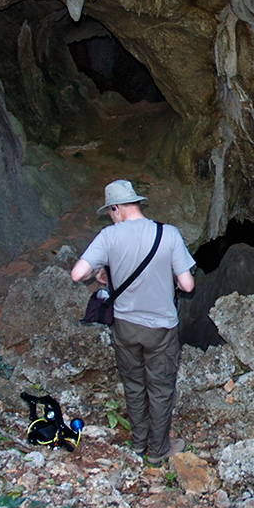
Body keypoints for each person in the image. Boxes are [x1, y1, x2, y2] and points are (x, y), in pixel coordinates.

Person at [71, 179, 195, 467]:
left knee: (134, 384)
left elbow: (78, 274)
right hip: (161, 328)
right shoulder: (168, 234)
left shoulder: (108, 236)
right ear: (135, 203)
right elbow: (188, 285)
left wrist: (98, 273)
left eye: (110, 212)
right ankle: (158, 450)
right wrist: (173, 280)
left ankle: (139, 444)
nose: (110, 217)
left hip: (125, 326)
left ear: (116, 208)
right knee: (161, 388)